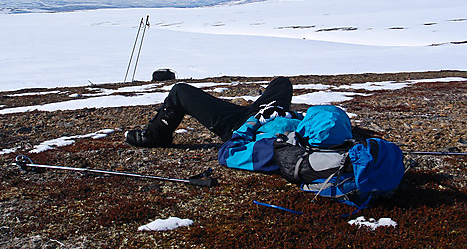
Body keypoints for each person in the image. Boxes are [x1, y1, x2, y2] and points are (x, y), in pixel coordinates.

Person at [125, 77, 353, 173]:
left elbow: (229, 153)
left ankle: (154, 136)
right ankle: (259, 103)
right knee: (283, 82)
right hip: (271, 112)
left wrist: (255, 121)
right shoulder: (330, 135)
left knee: (180, 92)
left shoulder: (281, 150)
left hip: (241, 124)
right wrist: (287, 113)